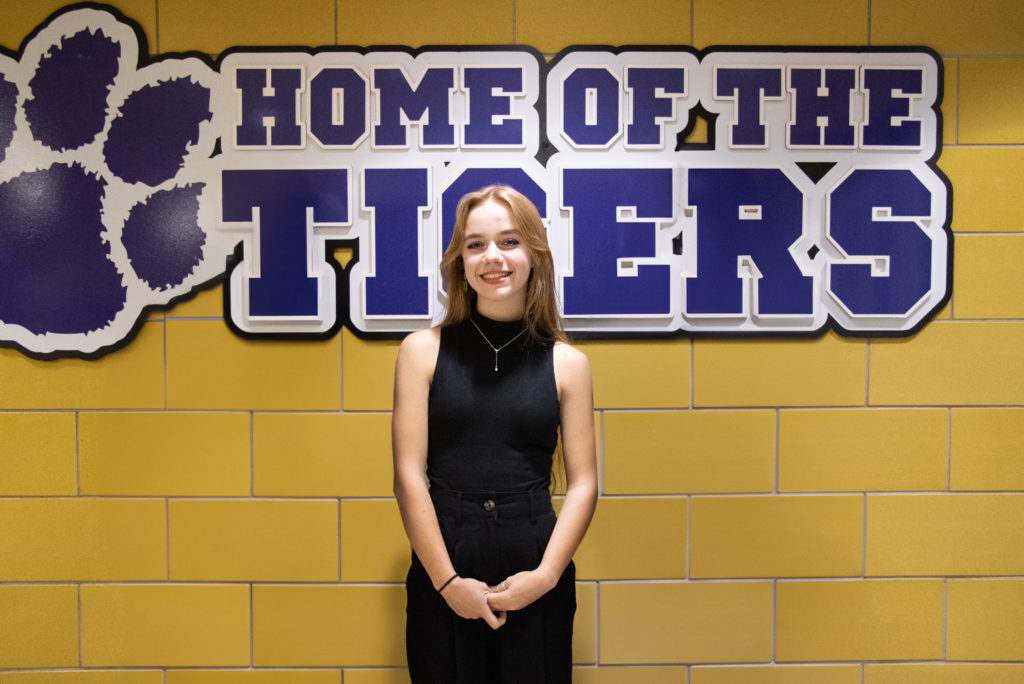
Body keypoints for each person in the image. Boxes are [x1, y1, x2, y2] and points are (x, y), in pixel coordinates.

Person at [392, 184, 598, 683]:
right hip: (445, 559)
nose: (493, 257)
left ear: (534, 254)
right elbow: (407, 476)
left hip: (534, 563)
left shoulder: (568, 363)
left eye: (509, 241)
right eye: (475, 244)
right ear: (459, 261)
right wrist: (447, 582)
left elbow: (585, 482)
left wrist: (546, 576)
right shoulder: (422, 351)